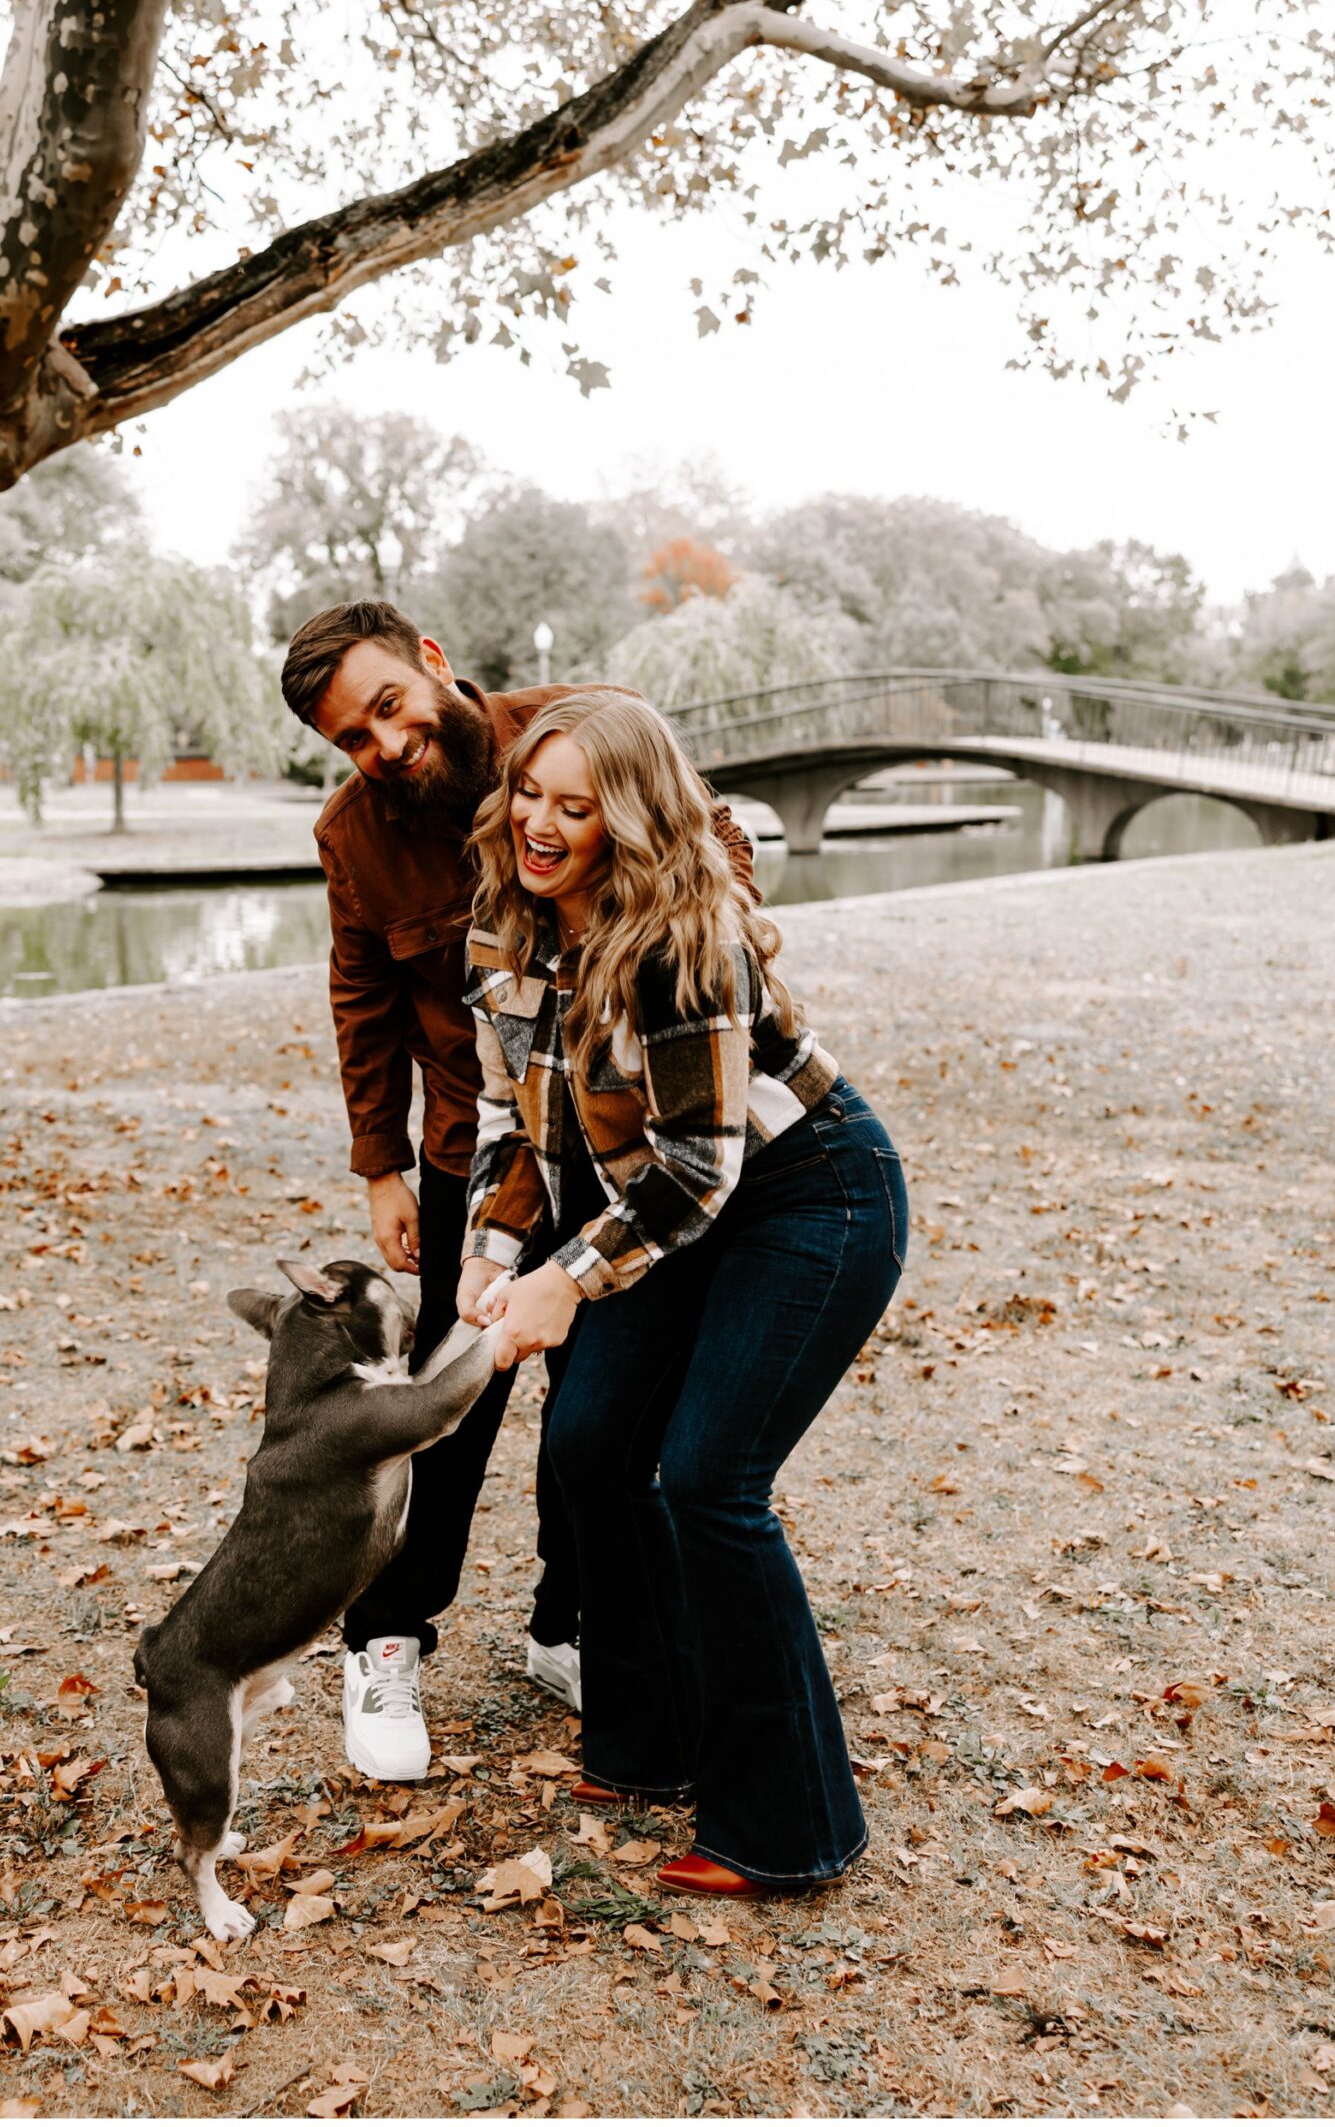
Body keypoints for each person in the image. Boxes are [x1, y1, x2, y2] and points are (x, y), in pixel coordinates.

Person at [279, 602, 755, 1780]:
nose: (383, 745)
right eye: (352, 737)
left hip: (629, 1152)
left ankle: (568, 1622)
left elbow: (714, 855)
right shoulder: (354, 834)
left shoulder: (580, 734)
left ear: (432, 662)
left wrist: (712, 967)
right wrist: (379, 1163)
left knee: (606, 1403)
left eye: (387, 705)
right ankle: (386, 1638)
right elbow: (361, 997)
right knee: (450, 1402)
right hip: (478, 1151)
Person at [457, 688, 908, 1897]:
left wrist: (565, 1277)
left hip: (805, 1192)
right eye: (526, 796)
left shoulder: (678, 940)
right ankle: (645, 1741)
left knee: (710, 1478)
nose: (538, 827)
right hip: (657, 1203)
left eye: (575, 806)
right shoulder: (503, 925)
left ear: (634, 816)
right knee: (592, 1440)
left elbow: (704, 1165)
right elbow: (509, 1116)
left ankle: (787, 1823)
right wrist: (491, 1254)